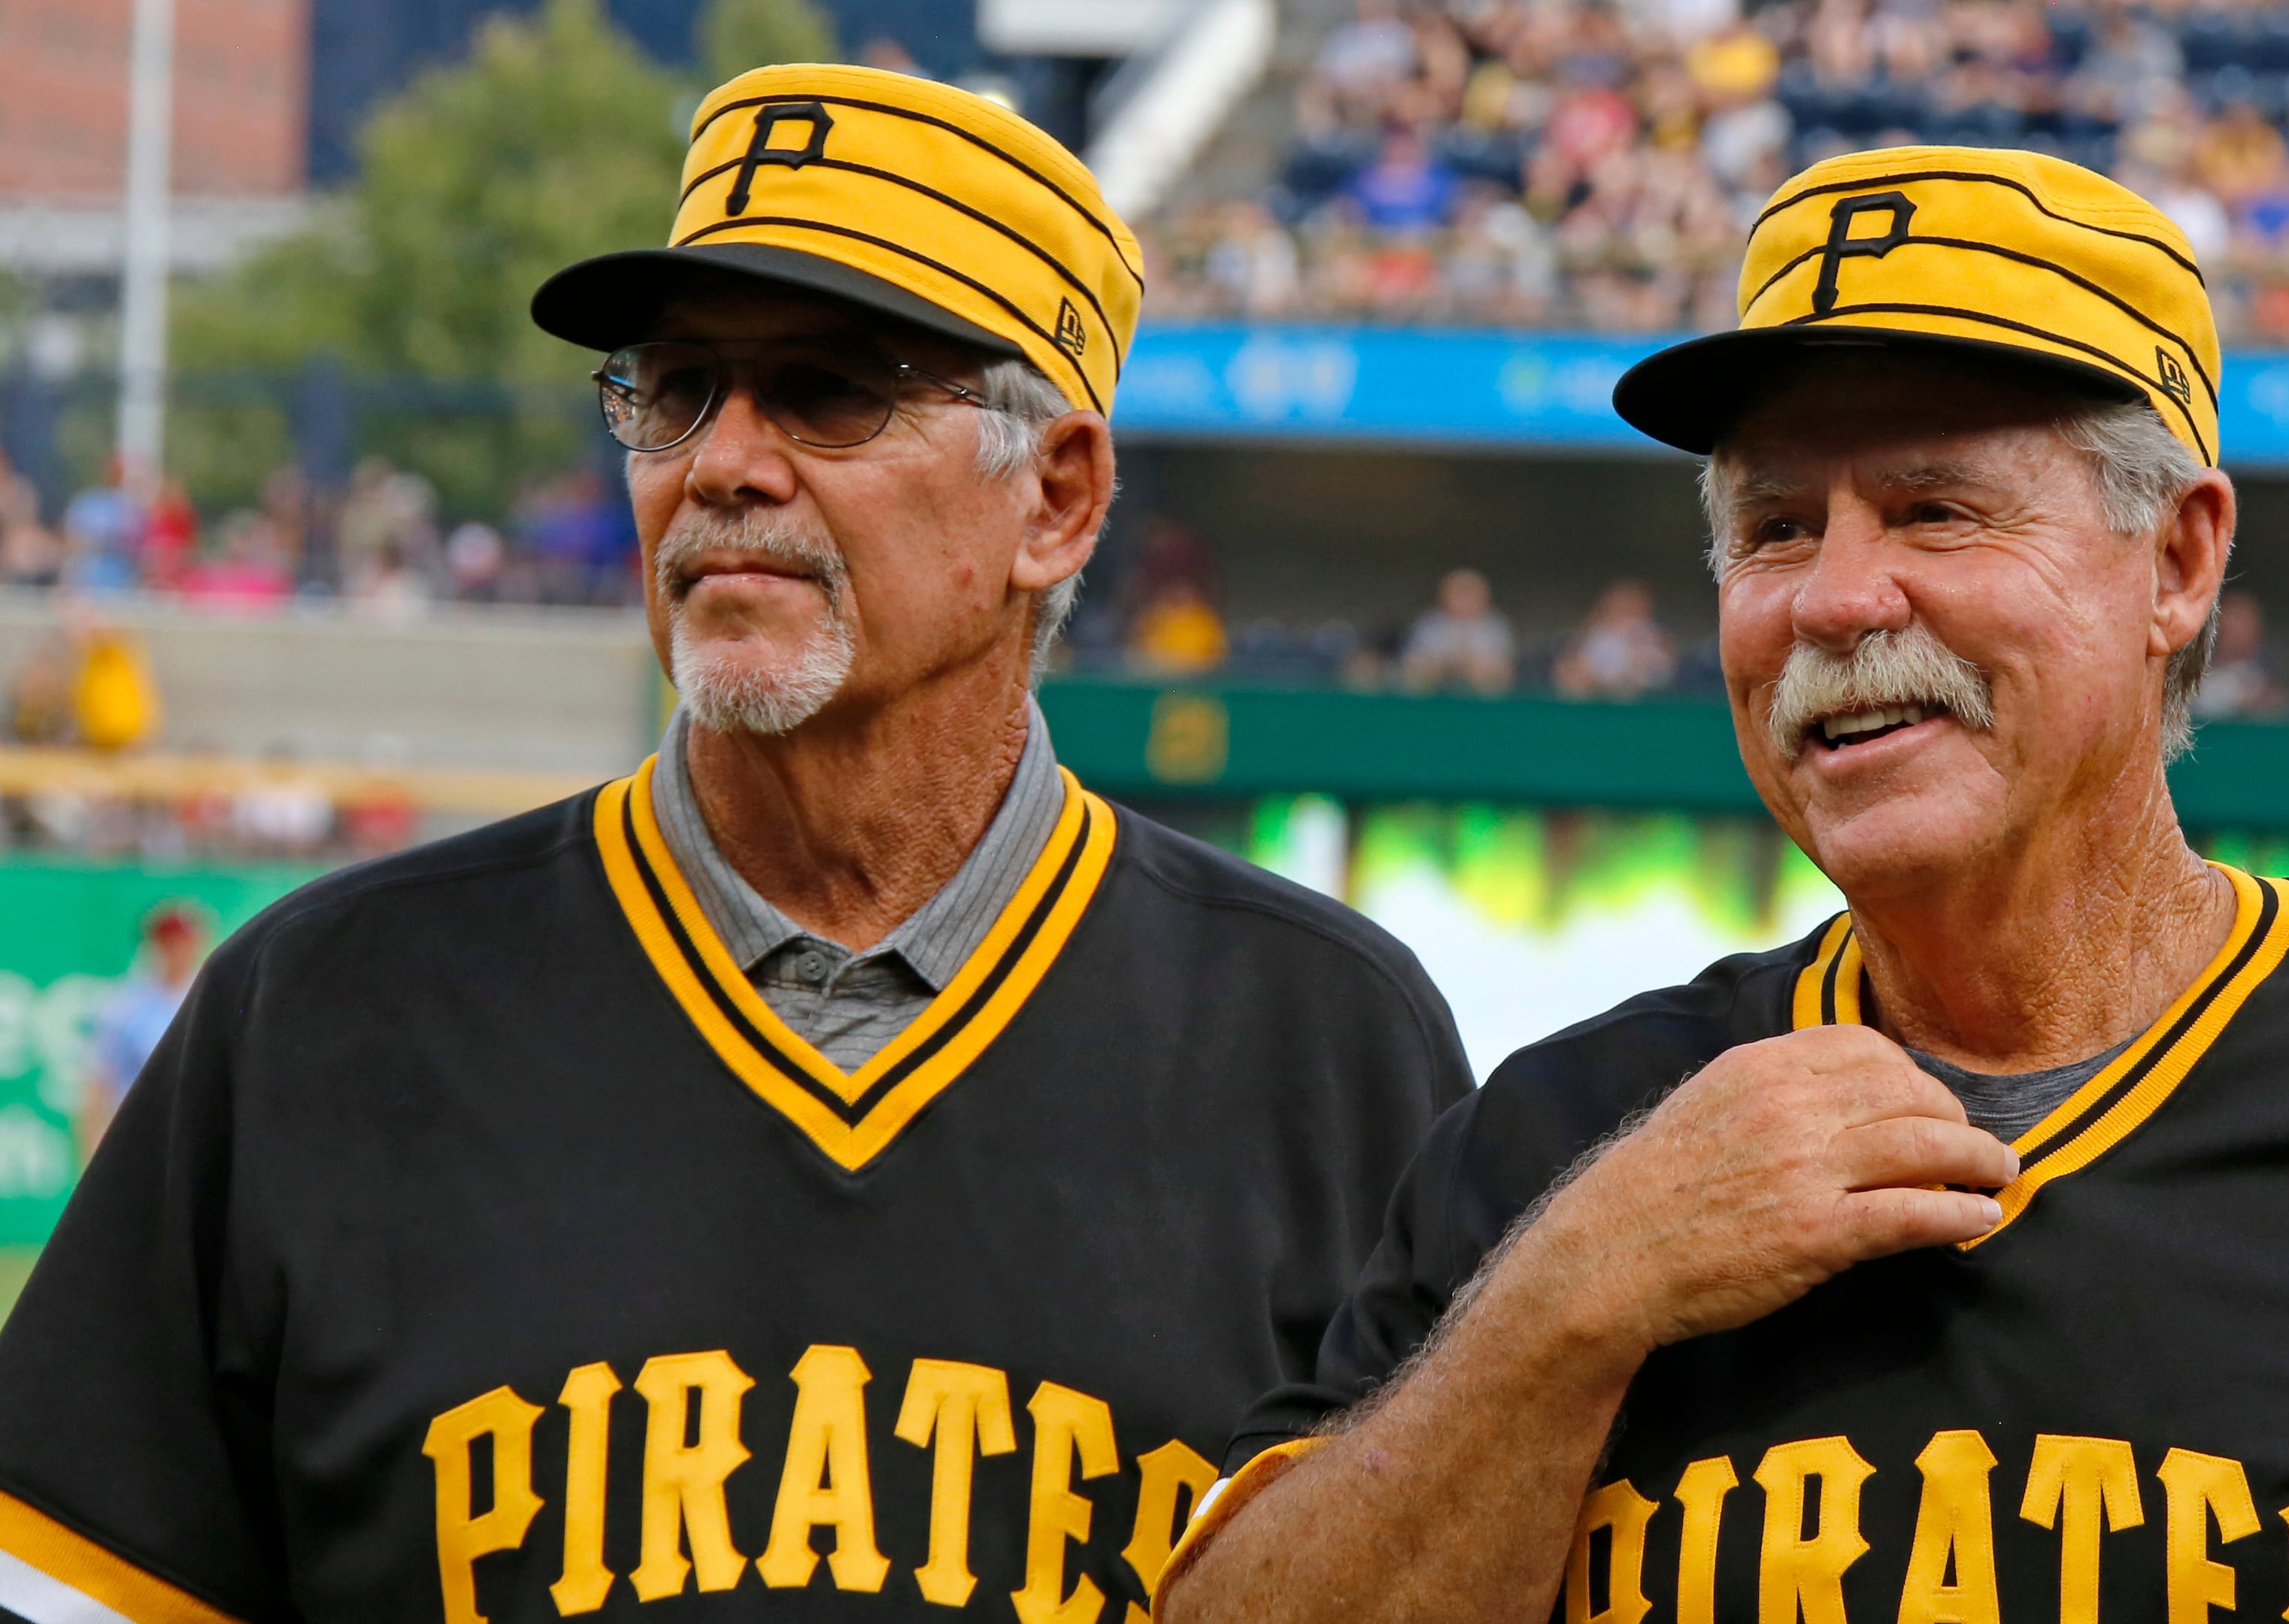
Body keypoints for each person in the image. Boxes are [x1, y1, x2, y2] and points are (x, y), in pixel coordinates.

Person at [1157, 145, 2289, 1623]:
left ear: (2178, 561)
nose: (1837, 598)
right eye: (1774, 527)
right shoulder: (1559, 1149)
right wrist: (1568, 1303)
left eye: (1934, 508)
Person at [0, 64, 1468, 1624]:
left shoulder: (1325, 1044)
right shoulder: (319, 1010)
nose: (721, 462)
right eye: (675, 389)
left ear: (1055, 499)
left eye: (829, 392)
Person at [80, 902, 208, 1156]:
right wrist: (93, 1154)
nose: (180, 951)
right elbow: (98, 1087)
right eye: (171, 943)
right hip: (140, 1141)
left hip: (197, 1141)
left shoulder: (212, 998)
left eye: (186, 942)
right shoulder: (125, 1007)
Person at [1398, 567, 1517, 692]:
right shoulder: (1429, 624)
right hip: (1437, 691)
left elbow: (1502, 667)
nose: (1464, 599)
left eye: (1469, 593)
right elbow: (1416, 660)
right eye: (1458, 593)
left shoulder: (1496, 626)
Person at [1554, 579, 1676, 698]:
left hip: (1631, 686)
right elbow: (1576, 659)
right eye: (1617, 604)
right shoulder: (1599, 632)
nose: (1621, 610)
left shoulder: (1648, 632)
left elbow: (1657, 670)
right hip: (1598, 683)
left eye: (1628, 605)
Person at [2189, 588, 2282, 716]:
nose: (2238, 632)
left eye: (2244, 623)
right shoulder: (2194, 670)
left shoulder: (2270, 672)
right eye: (2232, 622)